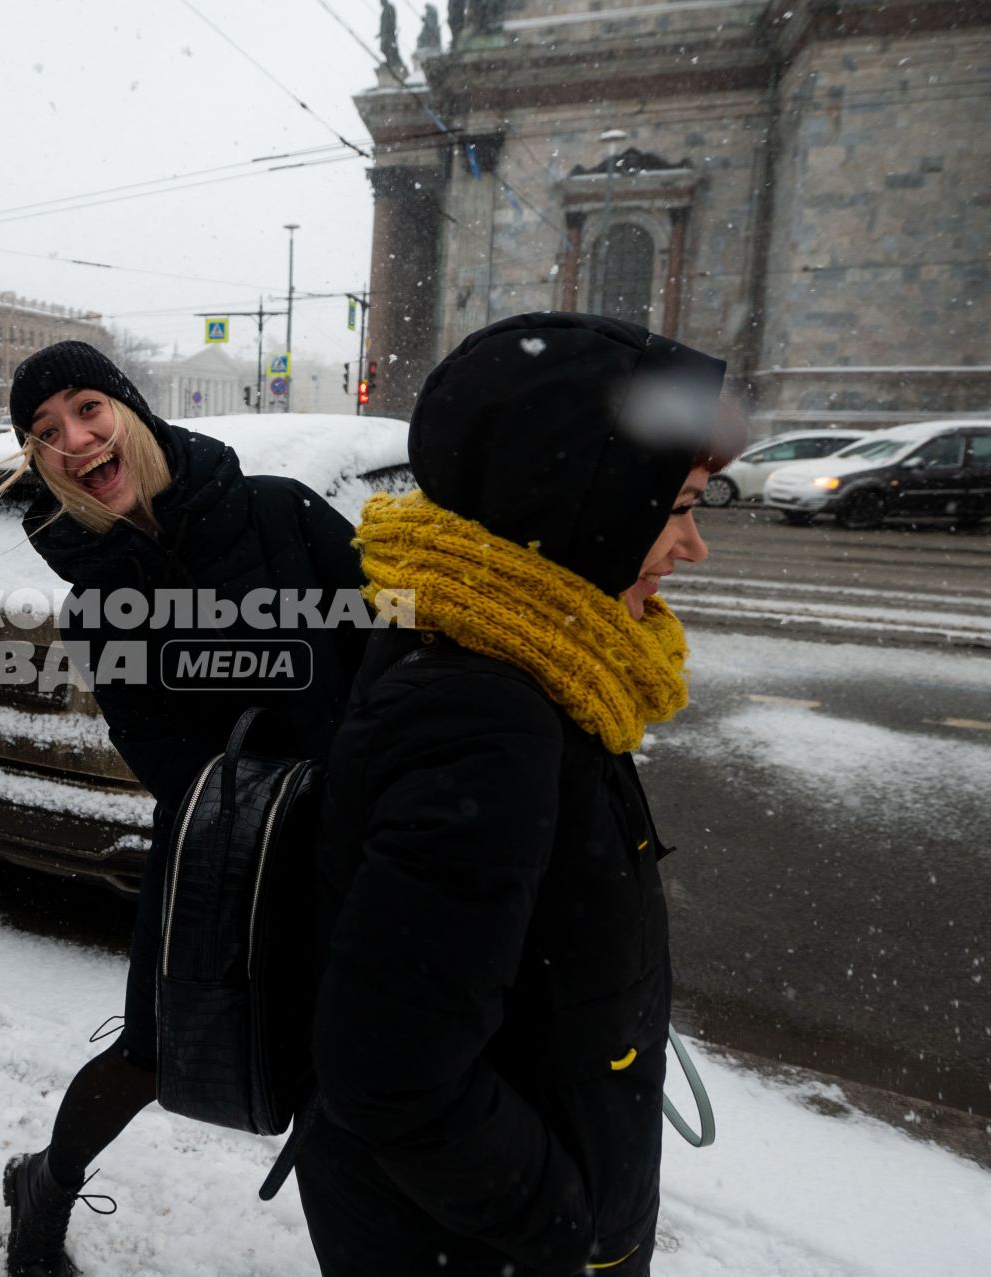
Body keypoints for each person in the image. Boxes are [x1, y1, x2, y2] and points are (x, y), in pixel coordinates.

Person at [301, 312, 746, 1276]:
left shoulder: (539, 654)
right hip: (470, 1243)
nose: (693, 547)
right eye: (675, 507)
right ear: (579, 500)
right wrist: (566, 1229)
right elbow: (390, 1071)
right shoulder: (486, 711)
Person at [0, 342, 373, 1276]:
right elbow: (166, 758)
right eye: (46, 433)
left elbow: (391, 658)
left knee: (351, 1072)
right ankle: (46, 1180)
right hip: (218, 856)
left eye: (87, 410)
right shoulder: (96, 600)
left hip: (355, 847)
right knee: (155, 1059)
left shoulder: (280, 511)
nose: (74, 440)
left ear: (130, 410)